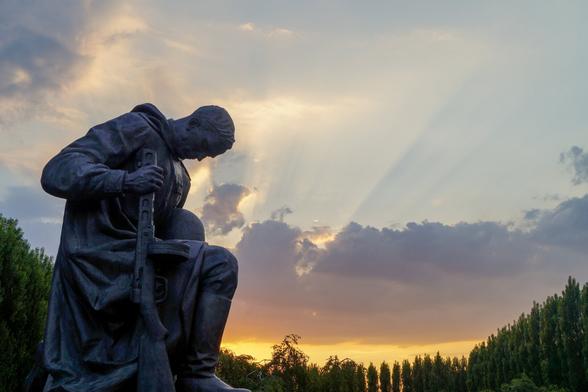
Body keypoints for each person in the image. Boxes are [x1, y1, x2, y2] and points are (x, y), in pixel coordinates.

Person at [36, 103, 250, 392]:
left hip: (143, 256)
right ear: (193, 124)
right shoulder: (137, 127)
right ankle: (195, 375)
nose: (200, 157)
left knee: (215, 260)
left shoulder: (181, 177)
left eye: (207, 155)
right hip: (98, 257)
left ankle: (197, 373)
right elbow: (58, 170)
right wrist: (124, 180)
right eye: (203, 147)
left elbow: (160, 230)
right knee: (220, 262)